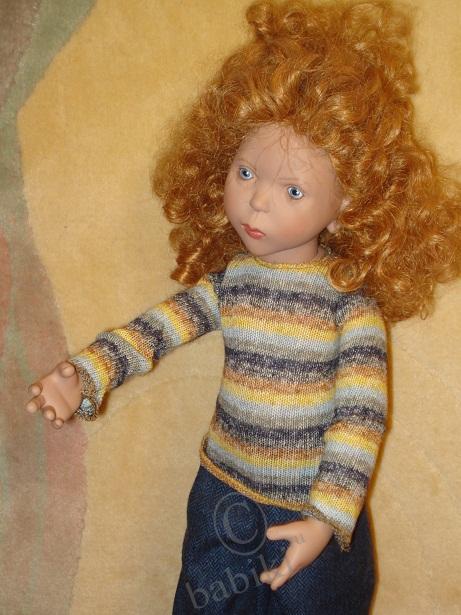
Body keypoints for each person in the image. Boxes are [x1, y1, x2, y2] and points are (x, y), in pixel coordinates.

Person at [25, 1, 461, 613]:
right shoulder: (231, 283)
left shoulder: (350, 306)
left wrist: (328, 516)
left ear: (347, 205)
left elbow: (360, 418)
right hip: (223, 500)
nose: (257, 202)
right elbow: (154, 331)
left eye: (292, 189)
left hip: (311, 512)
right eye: (246, 171)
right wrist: (88, 373)